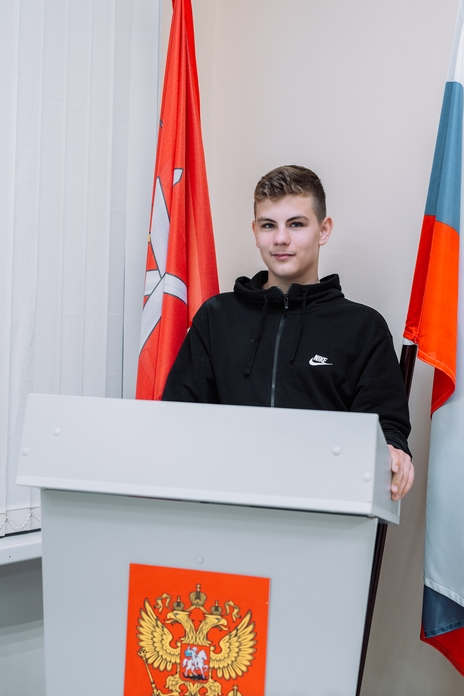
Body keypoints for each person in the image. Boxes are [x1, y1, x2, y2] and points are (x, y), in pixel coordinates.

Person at [162, 165, 414, 500]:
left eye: (296, 224)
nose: (281, 239)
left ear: (324, 230)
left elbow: (386, 429)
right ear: (255, 231)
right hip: (224, 507)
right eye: (269, 225)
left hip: (325, 509)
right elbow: (178, 418)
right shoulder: (216, 316)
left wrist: (393, 450)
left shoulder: (363, 327)